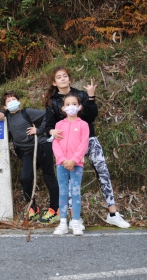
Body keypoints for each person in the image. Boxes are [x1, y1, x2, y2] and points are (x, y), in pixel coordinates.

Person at [44, 67, 130, 228]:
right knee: (70, 181)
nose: (63, 79)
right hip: (67, 145)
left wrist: (90, 97)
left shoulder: (81, 95)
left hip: (89, 140)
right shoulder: (52, 101)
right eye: (59, 77)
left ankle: (113, 213)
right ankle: (74, 218)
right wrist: (51, 130)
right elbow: (47, 125)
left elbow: (91, 116)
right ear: (54, 82)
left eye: (65, 76)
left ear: (70, 79)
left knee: (103, 172)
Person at [0, 91, 60, 224]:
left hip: (41, 146)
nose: (12, 101)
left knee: (48, 177)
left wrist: (39, 130)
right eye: (8, 101)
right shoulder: (6, 115)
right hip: (26, 153)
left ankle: (55, 210)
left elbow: (49, 114)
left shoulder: (27, 112)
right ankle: (33, 208)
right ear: (5, 107)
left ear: (19, 102)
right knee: (25, 178)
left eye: (14, 99)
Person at [51, 92, 89, 236]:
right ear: (63, 108)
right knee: (63, 192)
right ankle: (62, 223)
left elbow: (83, 144)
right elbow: (55, 143)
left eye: (74, 104)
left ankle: (76, 221)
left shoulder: (83, 125)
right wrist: (62, 159)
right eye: (67, 104)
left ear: (79, 107)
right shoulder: (59, 124)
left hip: (77, 164)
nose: (71, 107)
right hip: (61, 164)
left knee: (75, 191)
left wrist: (74, 159)